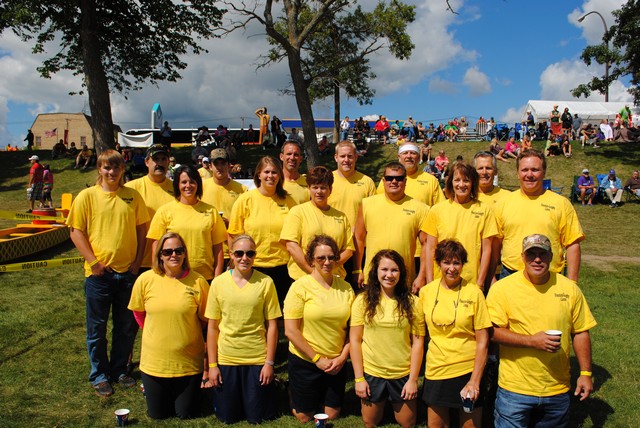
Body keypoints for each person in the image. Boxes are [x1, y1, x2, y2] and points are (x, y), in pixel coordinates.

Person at [487, 234, 597, 428]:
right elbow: (492, 332)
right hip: (514, 389)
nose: (537, 259)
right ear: (522, 257)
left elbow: (580, 331)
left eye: (542, 254)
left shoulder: (569, 289)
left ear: (552, 256)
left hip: (557, 388)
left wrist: (586, 373)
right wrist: (532, 341)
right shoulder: (503, 289)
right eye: (531, 254)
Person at [66, 150, 149, 397]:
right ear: (99, 169)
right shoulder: (87, 196)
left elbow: (142, 231)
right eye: (106, 168)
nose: (111, 172)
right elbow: (75, 231)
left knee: (125, 327)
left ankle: (119, 370)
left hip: (127, 273)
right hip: (99, 276)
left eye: (116, 168)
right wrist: (94, 263)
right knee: (97, 329)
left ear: (122, 170)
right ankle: (99, 375)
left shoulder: (132, 196)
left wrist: (137, 262)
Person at [128, 232, 209, 419]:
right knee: (158, 415)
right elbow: (138, 312)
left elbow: (205, 319)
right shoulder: (145, 279)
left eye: (178, 251)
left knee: (185, 414)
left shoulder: (199, 282)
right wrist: (154, 331)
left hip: (188, 363)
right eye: (168, 251)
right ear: (160, 255)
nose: (174, 255)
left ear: (185, 254)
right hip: (155, 363)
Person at [205, 235, 281, 423]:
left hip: (256, 357)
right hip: (227, 358)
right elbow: (212, 328)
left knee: (257, 418)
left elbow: (272, 326)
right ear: (231, 254)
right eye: (239, 253)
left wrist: (269, 363)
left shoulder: (266, 282)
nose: (244, 258)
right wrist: (212, 366)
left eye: (250, 253)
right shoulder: (218, 283)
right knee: (227, 418)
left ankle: (276, 386)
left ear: (255, 255)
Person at [420, 240, 491, 428]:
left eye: (457, 263)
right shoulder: (426, 292)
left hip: (467, 369)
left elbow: (483, 341)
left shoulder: (474, 293)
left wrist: (474, 381)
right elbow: (419, 337)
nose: (451, 268)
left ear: (463, 264)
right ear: (438, 263)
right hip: (436, 369)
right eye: (446, 262)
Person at [350, 249, 425, 428]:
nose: (389, 275)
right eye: (384, 269)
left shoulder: (414, 302)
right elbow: (355, 341)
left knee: (407, 423)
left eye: (394, 270)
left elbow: (418, 343)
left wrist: (413, 380)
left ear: (401, 273)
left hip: (402, 373)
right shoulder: (362, 301)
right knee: (370, 421)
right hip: (373, 372)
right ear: (375, 271)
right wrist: (359, 379)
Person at [284, 235, 355, 422]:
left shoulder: (346, 289)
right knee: (304, 417)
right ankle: (291, 391)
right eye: (321, 258)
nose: (327, 262)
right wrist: (317, 359)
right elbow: (291, 331)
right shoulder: (299, 287)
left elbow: (353, 331)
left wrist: (342, 358)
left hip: (335, 362)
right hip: (306, 360)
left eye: (331, 257)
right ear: (311, 260)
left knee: (331, 415)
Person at [493, 150, 584, 281]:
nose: (529, 175)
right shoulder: (503, 204)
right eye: (524, 170)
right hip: (511, 276)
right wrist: (491, 278)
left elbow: (573, 244)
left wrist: (572, 282)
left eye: (535, 170)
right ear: (518, 173)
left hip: (551, 276)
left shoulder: (561, 204)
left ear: (544, 172)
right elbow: (494, 246)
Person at [228, 156, 297, 302]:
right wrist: (236, 265)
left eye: (274, 172)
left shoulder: (289, 201)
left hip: (282, 268)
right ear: (258, 174)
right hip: (252, 266)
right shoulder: (245, 200)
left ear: (280, 175)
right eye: (266, 172)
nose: (270, 176)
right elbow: (234, 235)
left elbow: (296, 235)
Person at [422, 162, 497, 291]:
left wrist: (480, 283)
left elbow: (486, 250)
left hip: (471, 282)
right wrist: (430, 281)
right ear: (450, 182)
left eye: (466, 180)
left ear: (473, 183)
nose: (461, 185)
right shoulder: (436, 210)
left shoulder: (485, 210)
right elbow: (430, 249)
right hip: (441, 282)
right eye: (457, 180)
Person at [354, 162, 429, 291]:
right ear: (383, 181)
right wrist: (357, 269)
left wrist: (421, 275)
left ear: (405, 181)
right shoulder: (367, 204)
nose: (394, 181)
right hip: (372, 277)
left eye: (399, 178)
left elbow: (426, 246)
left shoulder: (421, 209)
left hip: (403, 279)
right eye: (389, 178)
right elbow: (358, 239)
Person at [147, 165, 227, 281]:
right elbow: (156, 247)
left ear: (198, 184)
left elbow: (218, 249)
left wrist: (217, 278)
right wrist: (160, 274)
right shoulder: (164, 211)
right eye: (184, 182)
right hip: (173, 278)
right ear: (177, 185)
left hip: (204, 278)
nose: (188, 186)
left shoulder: (211, 211)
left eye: (192, 182)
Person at [280, 166, 354, 281]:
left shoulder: (341, 217)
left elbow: (348, 250)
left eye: (323, 188)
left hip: (335, 279)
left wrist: (328, 268)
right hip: (304, 279)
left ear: (330, 189)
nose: (319, 191)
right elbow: (291, 246)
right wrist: (313, 272)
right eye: (315, 187)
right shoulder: (297, 212)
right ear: (309, 188)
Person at [327, 141, 377, 286]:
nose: (346, 160)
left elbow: (373, 215)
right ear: (336, 157)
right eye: (342, 156)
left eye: (350, 156)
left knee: (358, 289)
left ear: (356, 157)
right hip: (332, 245)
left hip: (358, 247)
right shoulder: (327, 180)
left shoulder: (367, 182)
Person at [124, 144, 175, 271]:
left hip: (169, 259)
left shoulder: (177, 189)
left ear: (169, 162)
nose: (160, 163)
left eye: (163, 159)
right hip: (136, 261)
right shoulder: (131, 188)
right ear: (147, 162)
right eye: (156, 159)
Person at [201, 148, 248, 264]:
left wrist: (230, 224)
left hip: (233, 251)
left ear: (229, 165)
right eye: (216, 164)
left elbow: (248, 220)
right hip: (207, 251)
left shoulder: (242, 190)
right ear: (210, 166)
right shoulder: (200, 188)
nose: (219, 167)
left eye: (223, 163)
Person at [280, 140, 309, 204]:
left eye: (296, 155)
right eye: (289, 154)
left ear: (301, 159)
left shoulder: (308, 183)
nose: (292, 158)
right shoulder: (274, 182)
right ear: (281, 156)